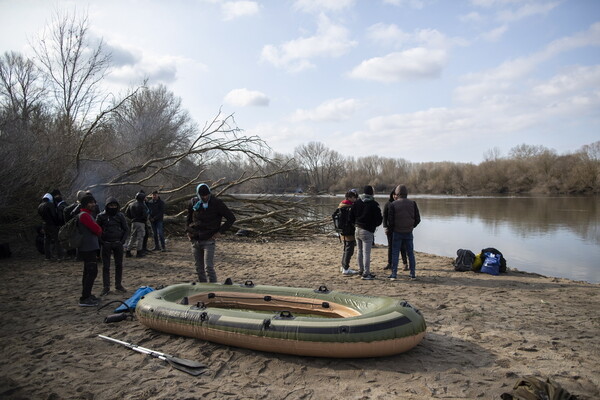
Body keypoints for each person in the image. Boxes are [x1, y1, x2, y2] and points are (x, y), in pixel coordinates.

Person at [186, 183, 236, 283]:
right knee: (199, 269)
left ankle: (214, 289)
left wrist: (220, 232)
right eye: (202, 195)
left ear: (209, 193)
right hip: (195, 239)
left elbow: (231, 218)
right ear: (198, 195)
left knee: (208, 267)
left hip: (209, 239)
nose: (205, 197)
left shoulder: (217, 203)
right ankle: (203, 290)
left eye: (207, 195)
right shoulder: (193, 202)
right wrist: (187, 231)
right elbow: (188, 219)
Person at [96, 197, 129, 296]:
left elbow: (126, 229)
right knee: (106, 266)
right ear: (107, 206)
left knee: (119, 265)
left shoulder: (120, 216)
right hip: (106, 243)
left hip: (117, 243)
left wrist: (122, 242)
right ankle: (106, 287)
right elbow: (97, 230)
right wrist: (102, 242)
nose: (113, 207)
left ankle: (118, 284)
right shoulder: (101, 216)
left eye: (114, 205)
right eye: (111, 205)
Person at [387, 184, 421, 281]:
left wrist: (393, 229)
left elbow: (390, 221)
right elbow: (418, 219)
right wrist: (411, 226)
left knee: (395, 253)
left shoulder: (393, 204)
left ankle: (394, 274)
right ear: (406, 193)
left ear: (397, 194)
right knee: (410, 253)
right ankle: (412, 274)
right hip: (408, 232)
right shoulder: (413, 203)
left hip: (397, 232)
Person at [350, 185, 383, 280]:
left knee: (359, 251)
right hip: (367, 231)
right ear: (371, 192)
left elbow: (351, 216)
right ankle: (366, 273)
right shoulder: (374, 204)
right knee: (366, 252)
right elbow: (379, 219)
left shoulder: (357, 202)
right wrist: (374, 226)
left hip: (357, 229)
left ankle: (361, 270)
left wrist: (355, 224)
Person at [77, 195, 103, 306]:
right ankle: (85, 298)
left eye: (94, 202)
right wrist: (99, 229)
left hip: (88, 247)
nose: (93, 204)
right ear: (85, 204)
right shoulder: (84, 216)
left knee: (87, 272)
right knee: (92, 272)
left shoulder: (86, 215)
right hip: (88, 248)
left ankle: (87, 295)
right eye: (91, 203)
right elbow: (97, 229)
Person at [334, 189, 359, 276]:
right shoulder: (349, 207)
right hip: (349, 231)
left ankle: (343, 266)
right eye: (353, 197)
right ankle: (346, 268)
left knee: (345, 248)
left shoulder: (341, 205)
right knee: (349, 249)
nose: (355, 199)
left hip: (342, 231)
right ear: (349, 198)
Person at [383, 190, 407, 271]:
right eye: (394, 194)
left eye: (396, 195)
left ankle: (405, 263)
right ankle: (390, 263)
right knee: (390, 246)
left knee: (402, 246)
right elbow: (384, 217)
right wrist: (385, 227)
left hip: (400, 228)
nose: (395, 196)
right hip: (390, 229)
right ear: (392, 195)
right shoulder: (388, 204)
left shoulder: (401, 204)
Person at [38, 190, 63, 261]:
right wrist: (57, 223)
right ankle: (59, 256)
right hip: (52, 225)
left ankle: (47, 257)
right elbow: (54, 215)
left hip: (44, 224)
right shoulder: (50, 205)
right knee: (57, 240)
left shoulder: (40, 205)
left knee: (47, 241)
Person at [125, 190, 149, 258]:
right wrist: (144, 220)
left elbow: (127, 213)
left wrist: (133, 218)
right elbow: (145, 215)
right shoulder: (142, 205)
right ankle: (139, 252)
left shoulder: (131, 204)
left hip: (133, 222)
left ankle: (128, 251)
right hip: (141, 223)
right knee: (140, 237)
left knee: (132, 237)